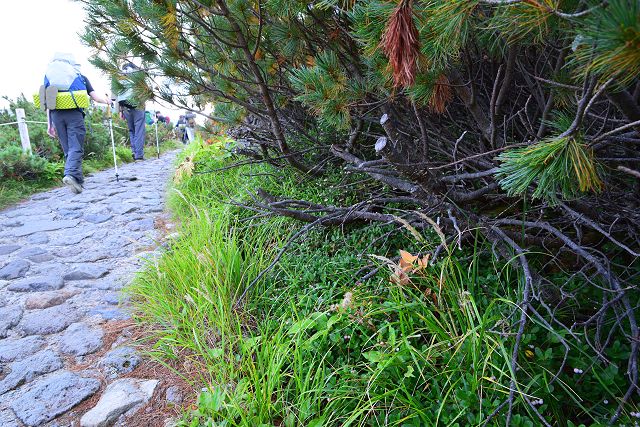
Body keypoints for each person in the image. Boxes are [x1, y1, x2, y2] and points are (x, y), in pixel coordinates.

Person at [44, 53, 110, 194]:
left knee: (68, 149)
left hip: (56, 115)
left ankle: (78, 181)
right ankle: (70, 175)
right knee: (76, 147)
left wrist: (49, 124)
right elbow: (96, 97)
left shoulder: (49, 77)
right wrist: (107, 100)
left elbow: (48, 102)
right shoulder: (79, 76)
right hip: (74, 114)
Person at [115, 63, 146, 162]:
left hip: (125, 107)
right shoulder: (136, 76)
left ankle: (134, 151)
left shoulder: (119, 77)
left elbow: (115, 95)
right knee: (139, 130)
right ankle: (139, 155)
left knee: (132, 130)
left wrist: (119, 111)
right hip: (137, 105)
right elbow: (144, 92)